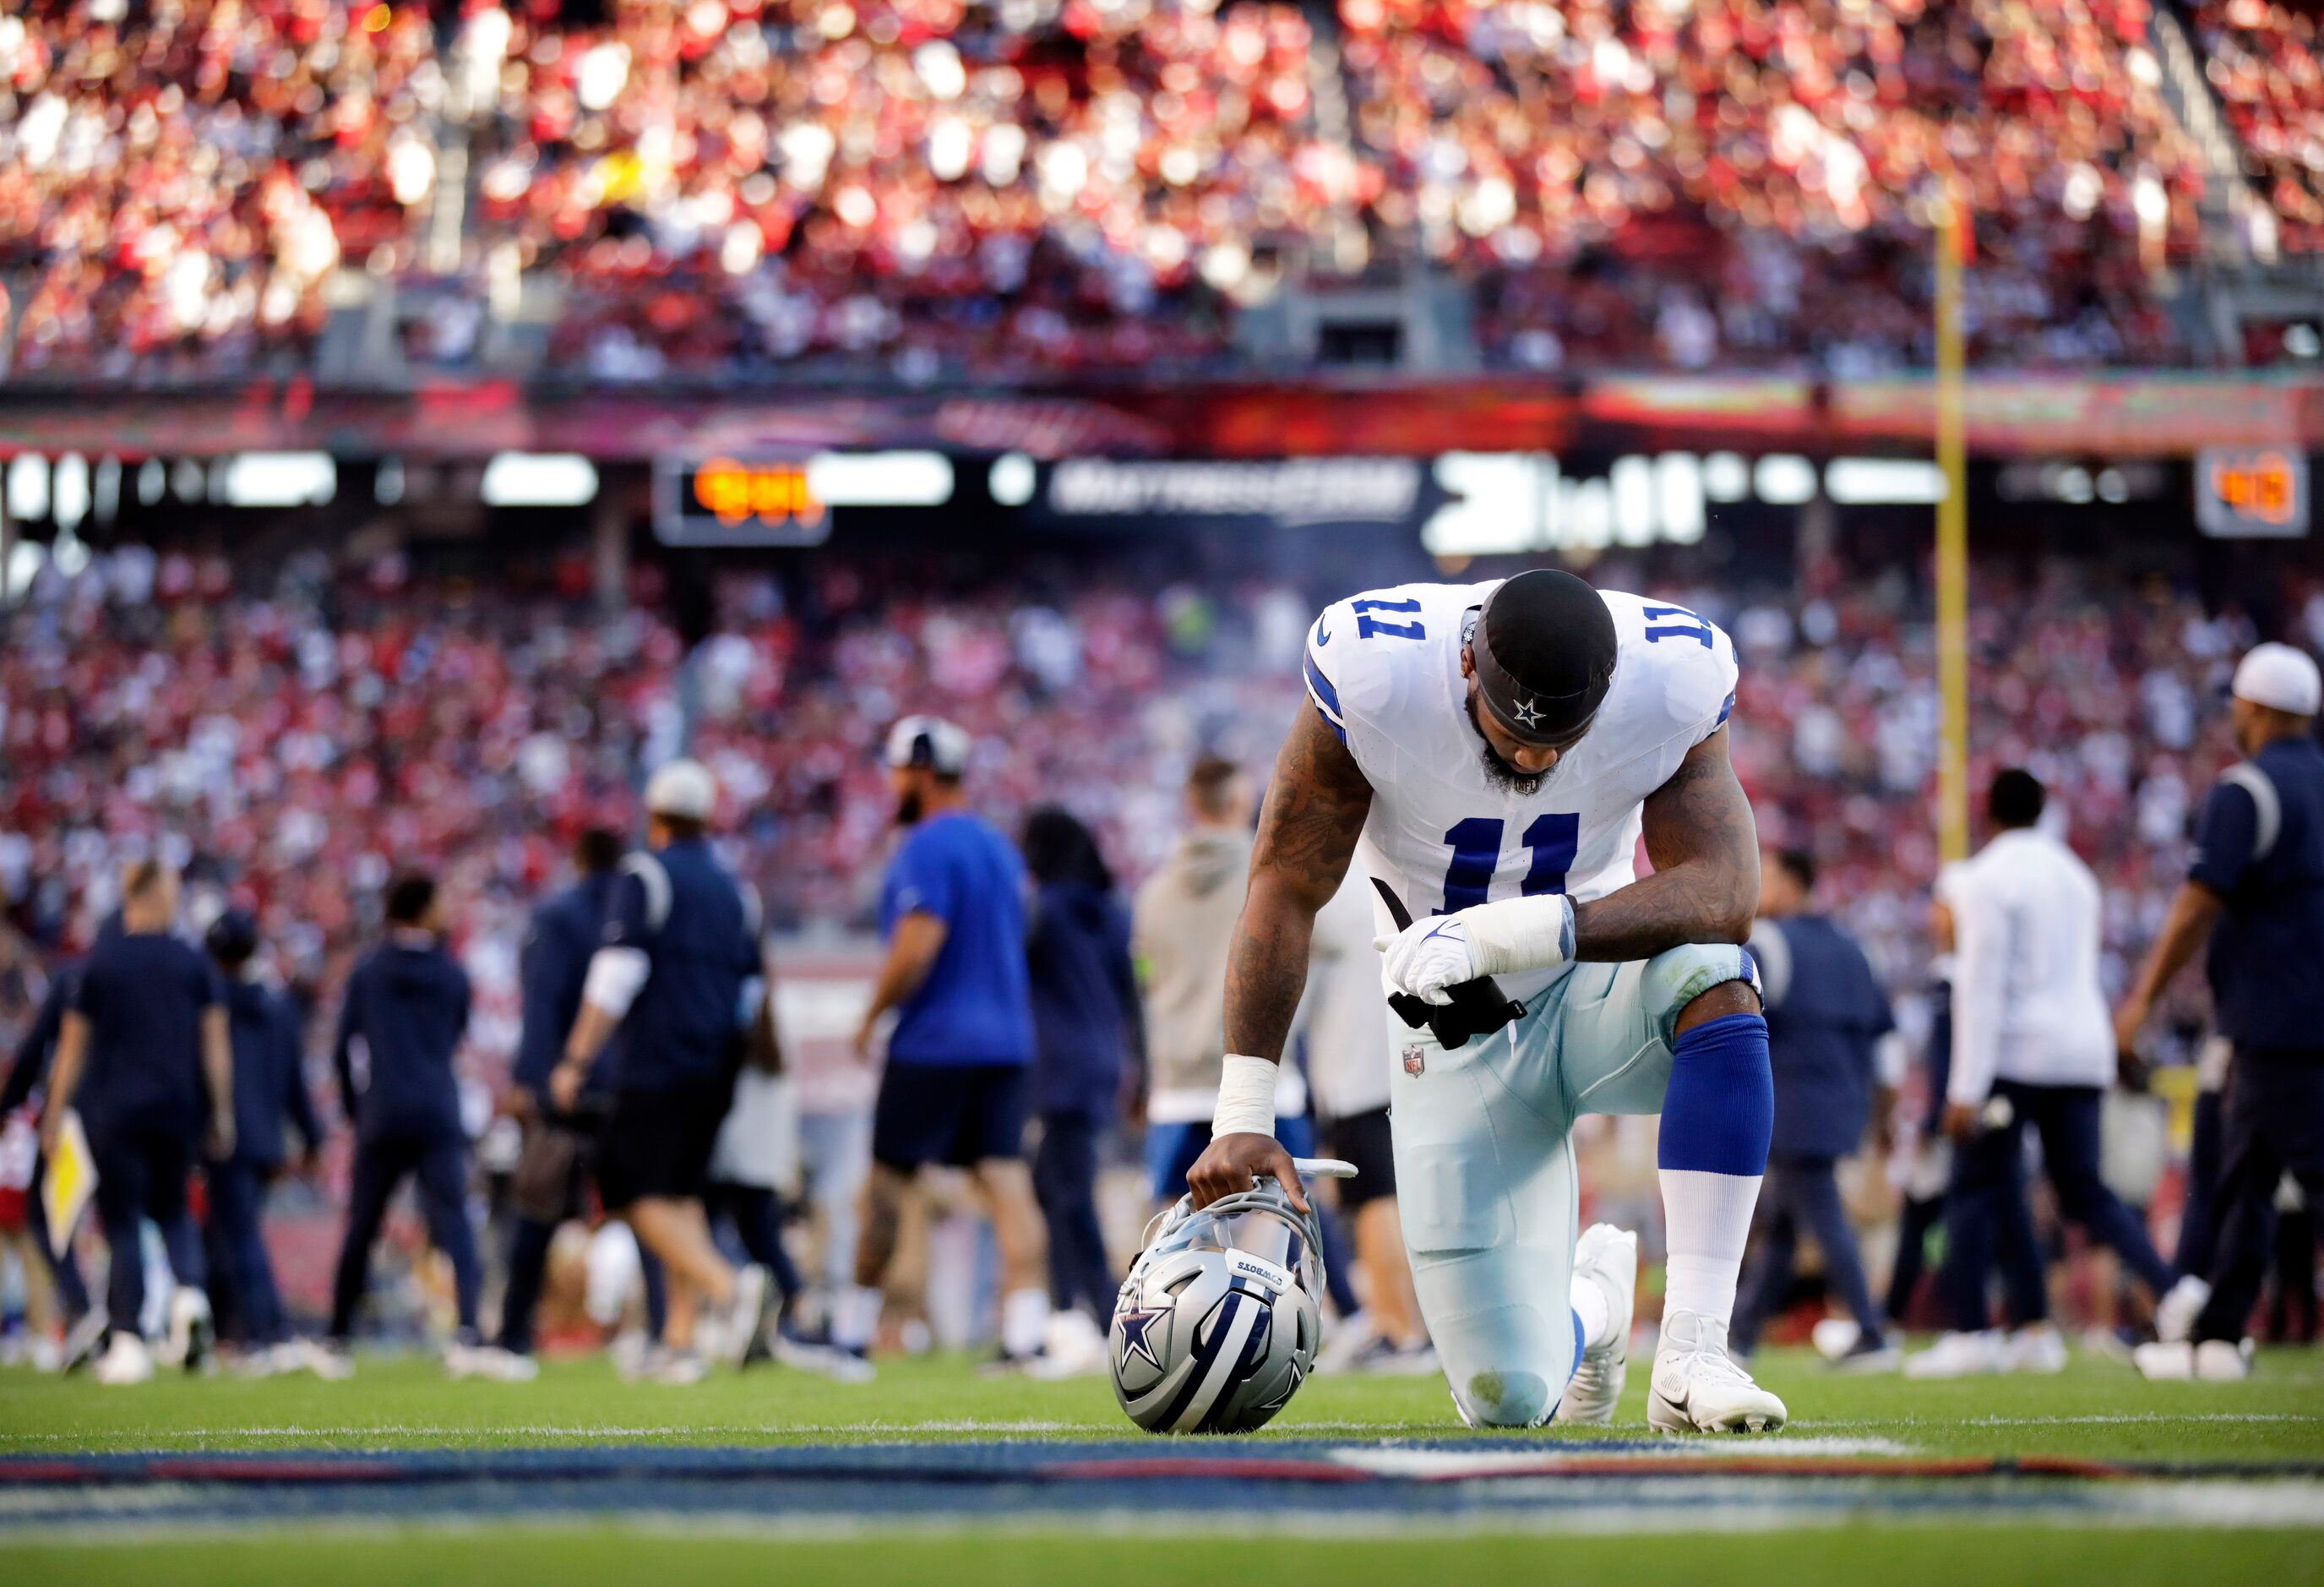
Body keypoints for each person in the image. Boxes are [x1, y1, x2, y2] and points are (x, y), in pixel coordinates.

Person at [1189, 569, 1782, 1432]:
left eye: (1561, 739)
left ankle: (1694, 1350)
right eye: (1513, 732)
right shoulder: (1379, 670)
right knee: (1508, 1401)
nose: (1536, 757)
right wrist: (1245, 1110)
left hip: (1591, 986)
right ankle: (1596, 1310)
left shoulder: (1673, 674)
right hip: (1451, 1034)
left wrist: (1503, 935)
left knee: (1717, 977)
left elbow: (1725, 890)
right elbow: (1284, 885)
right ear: (1467, 664)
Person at [1908, 769, 2185, 1379]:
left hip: (2016, 1054)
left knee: (1974, 1186)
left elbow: (1979, 986)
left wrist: (1964, 1089)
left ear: (1989, 814)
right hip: (2080, 1052)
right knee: (2084, 1190)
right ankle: (2172, 1293)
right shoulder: (2076, 876)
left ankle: (1969, 1333)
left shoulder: (1985, 877)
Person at [2120, 643, 2324, 1380]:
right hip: (2283, 1023)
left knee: (2296, 1168)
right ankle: (2217, 1332)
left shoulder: (2246, 791)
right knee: (2245, 1176)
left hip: (2277, 1021)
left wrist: (2140, 1000)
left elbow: (2196, 904)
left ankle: (2215, 1327)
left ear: (2257, 707)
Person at [835, 717, 1049, 1369]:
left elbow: (918, 941)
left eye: (899, 771)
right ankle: (1026, 1336)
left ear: (921, 772)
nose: (894, 784)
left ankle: (850, 1334)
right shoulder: (999, 849)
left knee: (885, 1186)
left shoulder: (925, 846)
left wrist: (871, 1015)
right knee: (1008, 1184)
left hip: (933, 1041)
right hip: (1005, 1042)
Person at [551, 760, 773, 1382]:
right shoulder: (737, 891)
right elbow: (750, 994)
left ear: (655, 816)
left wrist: (575, 1058)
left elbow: (616, 974)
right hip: (717, 1064)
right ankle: (680, 1340)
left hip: (657, 1060)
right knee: (680, 1195)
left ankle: (727, 1289)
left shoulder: (645, 876)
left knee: (627, 1186)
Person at [40, 863, 232, 1385]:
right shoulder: (193, 962)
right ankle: (190, 1298)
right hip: (176, 1110)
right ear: (149, 893)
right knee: (173, 1212)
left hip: (115, 1111)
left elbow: (72, 1048)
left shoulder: (101, 964)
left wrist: (54, 1117)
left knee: (122, 1220)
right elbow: (214, 1045)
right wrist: (222, 1112)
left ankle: (128, 1339)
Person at [327, 873, 515, 1378]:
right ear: (422, 908)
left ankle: (337, 1336)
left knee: (362, 1227)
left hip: (383, 1111)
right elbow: (456, 1034)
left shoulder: (368, 970)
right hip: (436, 1109)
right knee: (454, 1224)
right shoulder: (452, 974)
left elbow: (343, 1047)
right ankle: (469, 1330)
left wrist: (355, 1108)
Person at [1733, 848, 1901, 1371]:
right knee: (1785, 1224)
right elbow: (1887, 1045)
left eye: (1771, 874)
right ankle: (1739, 1337)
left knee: (1823, 1214)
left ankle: (1871, 1331)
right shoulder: (1858, 949)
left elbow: (1740, 1028)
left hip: (1792, 1102)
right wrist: (1884, 1116)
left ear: (1793, 882)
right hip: (1847, 1101)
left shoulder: (1770, 942)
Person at [1134, 757, 1316, 1209]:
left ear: (1191, 803)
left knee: (1177, 1237)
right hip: (1260, 1081)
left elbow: (1145, 978)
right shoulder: (1271, 884)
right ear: (1239, 800)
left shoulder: (1152, 895)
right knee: (1284, 1227)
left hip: (1177, 1084)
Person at [496, 828, 635, 1369]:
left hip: (568, 1088)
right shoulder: (635, 913)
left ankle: (512, 1335)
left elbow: (543, 1002)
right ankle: (667, 1334)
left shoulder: (557, 917)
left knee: (536, 1209)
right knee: (644, 1212)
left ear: (578, 859)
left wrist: (533, 1080)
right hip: (627, 1087)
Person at [1020, 805, 1141, 1376]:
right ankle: (1074, 1310)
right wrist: (1140, 1066)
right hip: (1102, 1061)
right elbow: (1132, 996)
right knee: (1060, 1189)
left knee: (1066, 1196)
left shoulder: (1043, 912)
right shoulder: (1112, 913)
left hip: (1055, 1067)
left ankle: (1099, 1315)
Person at [1304, 865, 1433, 1373]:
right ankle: (1406, 1327)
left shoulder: (1338, 878)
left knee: (1375, 1197)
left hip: (1357, 1062)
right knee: (1386, 1195)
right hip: (1397, 1050)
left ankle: (1395, 1328)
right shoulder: (1388, 865)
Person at [201, 909, 324, 1374]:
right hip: (268, 1139)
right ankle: (239, 1331)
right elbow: (296, 1081)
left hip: (225, 1134)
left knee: (240, 1236)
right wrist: (310, 1138)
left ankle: (268, 1332)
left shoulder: (208, 1004)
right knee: (235, 1235)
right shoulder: (277, 1006)